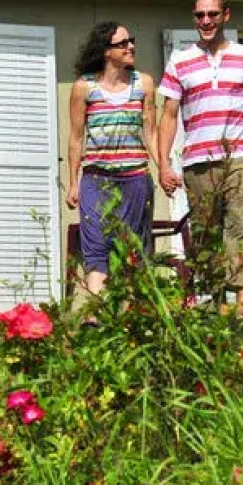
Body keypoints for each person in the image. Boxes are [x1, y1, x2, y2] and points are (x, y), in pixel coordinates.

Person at [157, 0, 243, 318]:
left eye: (212, 14)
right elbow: (168, 114)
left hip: (239, 155)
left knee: (241, 224)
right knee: (207, 232)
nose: (205, 21)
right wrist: (164, 164)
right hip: (197, 159)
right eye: (199, 15)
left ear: (226, 16)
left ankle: (242, 307)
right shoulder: (180, 60)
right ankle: (220, 304)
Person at [66, 21, 158, 296]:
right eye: (122, 43)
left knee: (131, 248)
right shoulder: (84, 87)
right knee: (96, 245)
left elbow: (150, 132)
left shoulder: (143, 84)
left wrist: (164, 168)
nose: (130, 47)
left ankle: (126, 316)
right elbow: (76, 138)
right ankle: (96, 314)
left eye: (131, 41)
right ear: (106, 51)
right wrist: (73, 183)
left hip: (135, 179)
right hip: (96, 179)